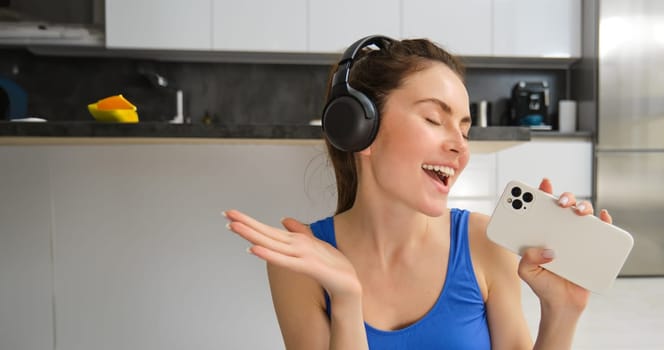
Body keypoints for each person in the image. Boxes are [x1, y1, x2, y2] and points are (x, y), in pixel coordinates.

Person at [224, 35, 613, 349]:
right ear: (361, 130)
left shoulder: (483, 242)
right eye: (433, 119)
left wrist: (562, 312)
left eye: (464, 129)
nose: (460, 147)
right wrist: (345, 298)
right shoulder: (302, 262)